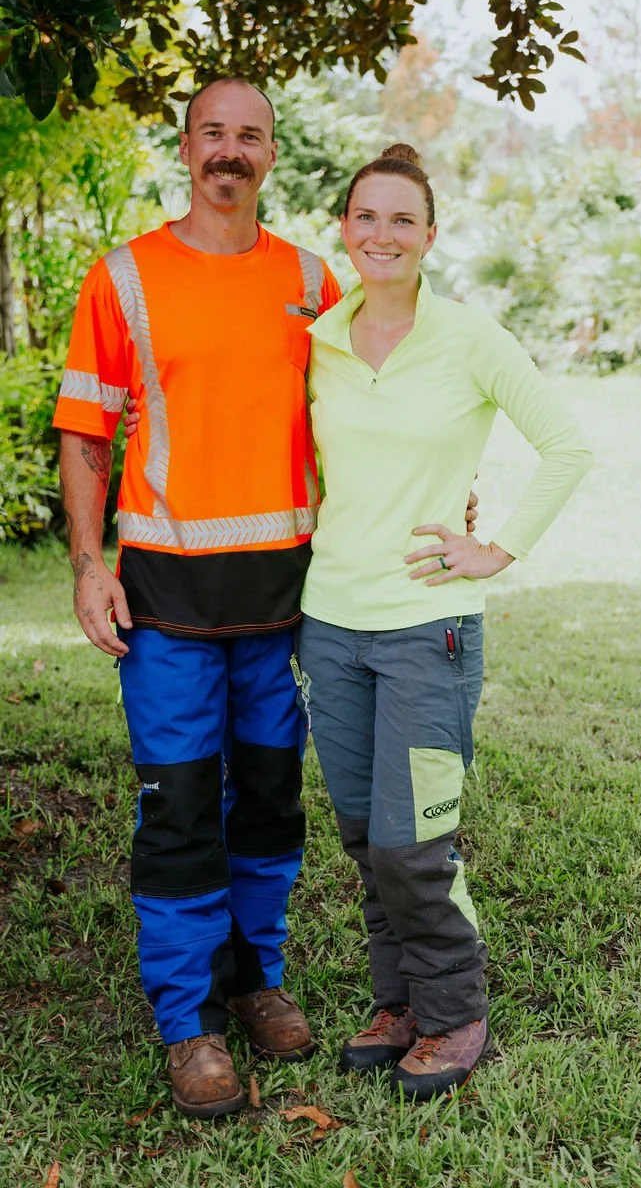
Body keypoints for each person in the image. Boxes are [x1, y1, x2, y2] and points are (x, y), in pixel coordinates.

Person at [54, 77, 341, 1119]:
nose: (231, 150)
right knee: (180, 809)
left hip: (282, 597)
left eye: (250, 136)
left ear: (272, 154)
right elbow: (86, 434)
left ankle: (254, 980)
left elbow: (359, 420)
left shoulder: (314, 282)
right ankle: (189, 1023)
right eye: (213, 132)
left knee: (267, 800)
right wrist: (91, 566)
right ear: (186, 148)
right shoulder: (124, 276)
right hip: (164, 597)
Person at [296, 144, 592, 1102]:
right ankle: (399, 1002)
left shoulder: (470, 337)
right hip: (329, 625)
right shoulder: (321, 339)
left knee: (414, 842)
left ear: (430, 236)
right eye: (366, 218)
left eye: (402, 220)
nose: (381, 236)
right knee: (360, 835)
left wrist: (495, 547)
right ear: (344, 227)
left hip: (429, 626)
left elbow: (566, 446)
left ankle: (456, 1009)